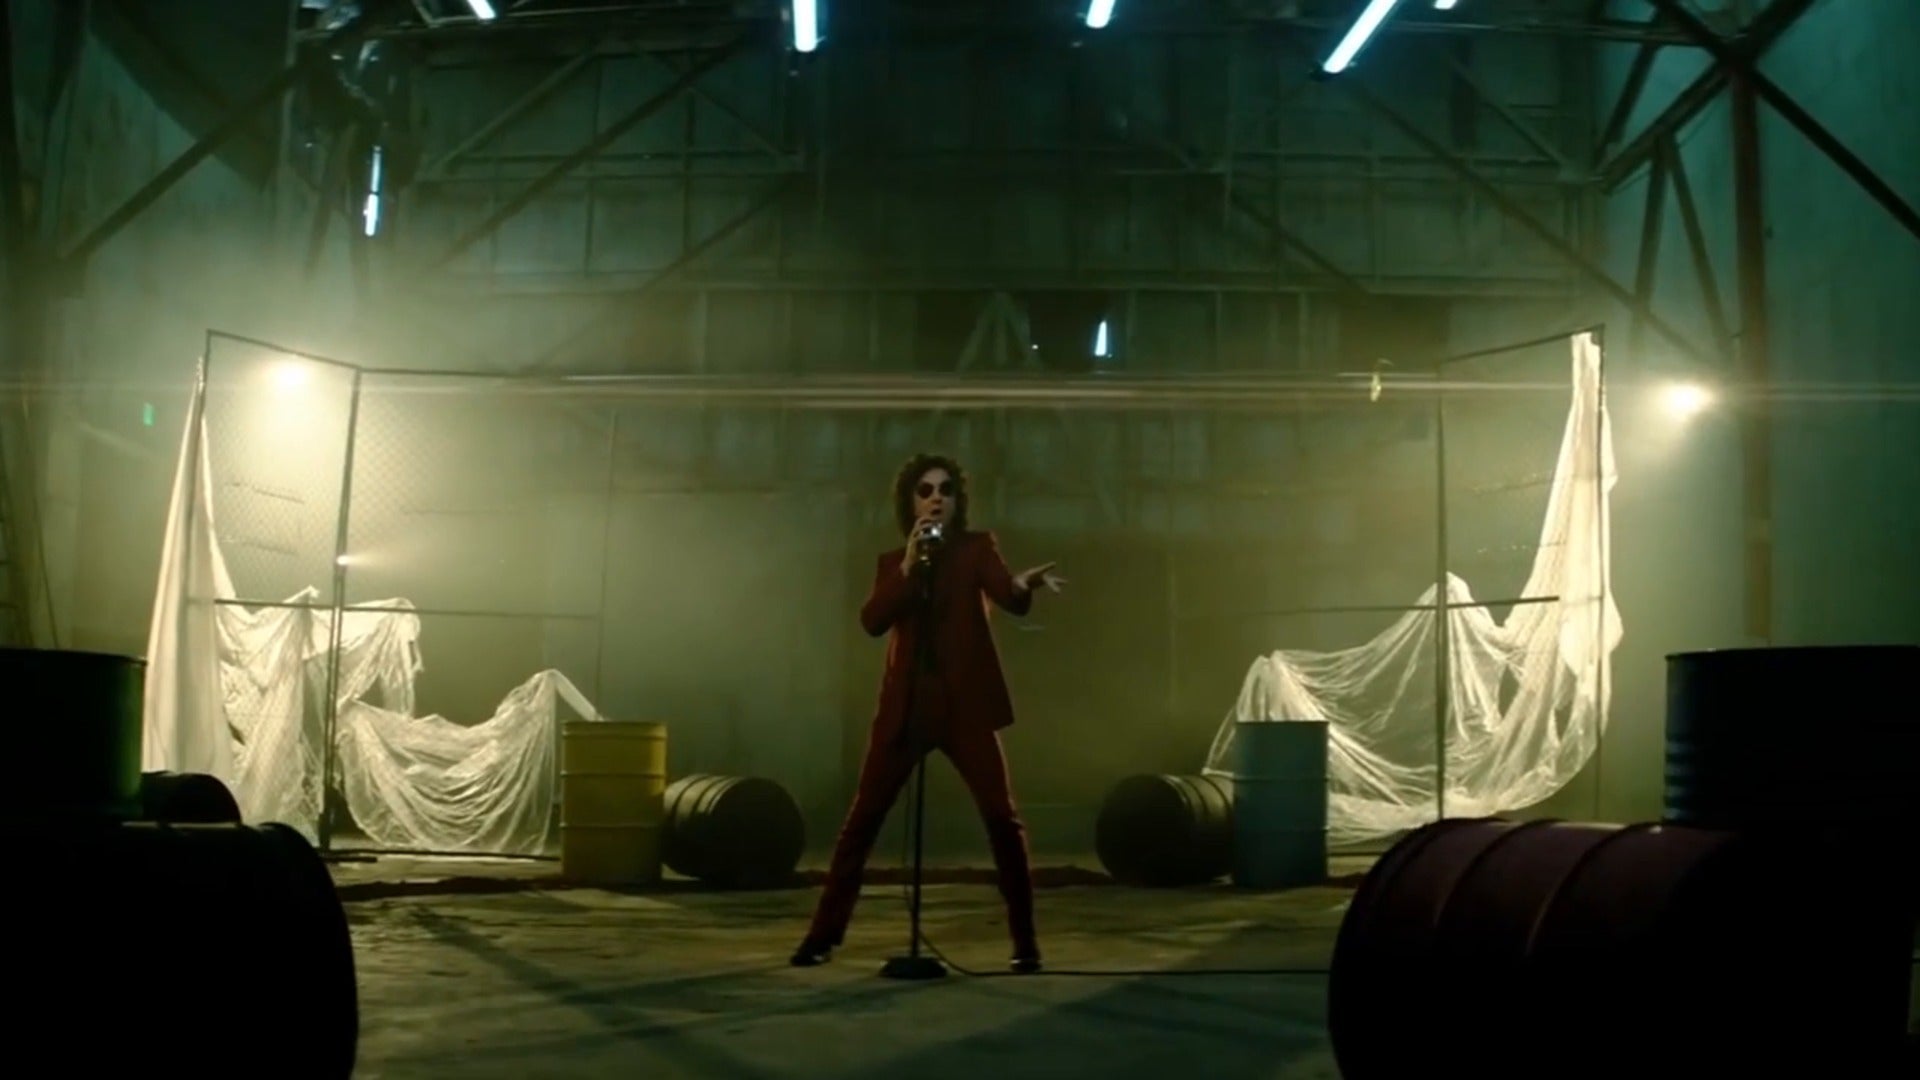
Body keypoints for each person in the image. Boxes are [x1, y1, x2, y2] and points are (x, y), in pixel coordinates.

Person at [791, 453, 1066, 974]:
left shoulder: (977, 549)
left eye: (945, 490)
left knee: (1002, 820)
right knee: (861, 823)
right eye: (926, 490)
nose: (936, 498)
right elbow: (872, 621)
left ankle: (1026, 944)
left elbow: (1006, 594)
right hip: (906, 709)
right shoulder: (893, 562)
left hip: (966, 710)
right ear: (911, 503)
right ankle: (821, 937)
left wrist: (1023, 585)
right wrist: (907, 566)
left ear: (958, 501)